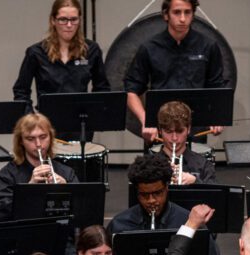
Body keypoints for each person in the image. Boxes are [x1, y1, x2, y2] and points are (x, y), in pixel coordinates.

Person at [124, 0, 227, 143]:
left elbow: (217, 86)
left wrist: (217, 117)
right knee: (158, 165)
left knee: (194, 165)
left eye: (187, 12)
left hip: (195, 129)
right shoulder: (149, 48)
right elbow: (131, 90)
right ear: (166, 15)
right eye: (177, 12)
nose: (183, 18)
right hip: (160, 130)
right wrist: (146, 120)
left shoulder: (208, 46)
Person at [12, 0, 110, 111]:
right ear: (53, 20)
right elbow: (21, 91)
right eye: (63, 19)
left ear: (80, 20)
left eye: (74, 19)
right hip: (47, 124)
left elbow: (102, 89)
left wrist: (93, 113)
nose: (69, 25)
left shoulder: (92, 50)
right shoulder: (35, 52)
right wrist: (33, 121)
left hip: (81, 121)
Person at [0, 113, 77, 223]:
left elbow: (80, 211)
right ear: (21, 141)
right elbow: (1, 213)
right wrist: (28, 189)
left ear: (50, 137)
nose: (38, 144)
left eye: (43, 137)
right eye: (30, 138)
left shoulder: (67, 172)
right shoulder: (6, 176)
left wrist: (67, 189)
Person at [151, 101, 216, 185]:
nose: (174, 138)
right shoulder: (149, 165)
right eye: (168, 131)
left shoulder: (204, 165)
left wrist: (195, 182)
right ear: (160, 130)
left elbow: (214, 196)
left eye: (179, 131)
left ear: (188, 129)